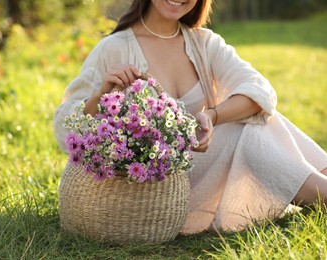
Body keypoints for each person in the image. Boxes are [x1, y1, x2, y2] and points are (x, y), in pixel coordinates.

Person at [54, 0, 327, 234]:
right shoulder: (113, 48)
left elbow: (260, 91)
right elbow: (65, 123)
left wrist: (211, 115)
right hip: (154, 186)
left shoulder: (203, 43)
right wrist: (102, 95)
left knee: (259, 120)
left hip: (204, 164)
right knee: (250, 130)